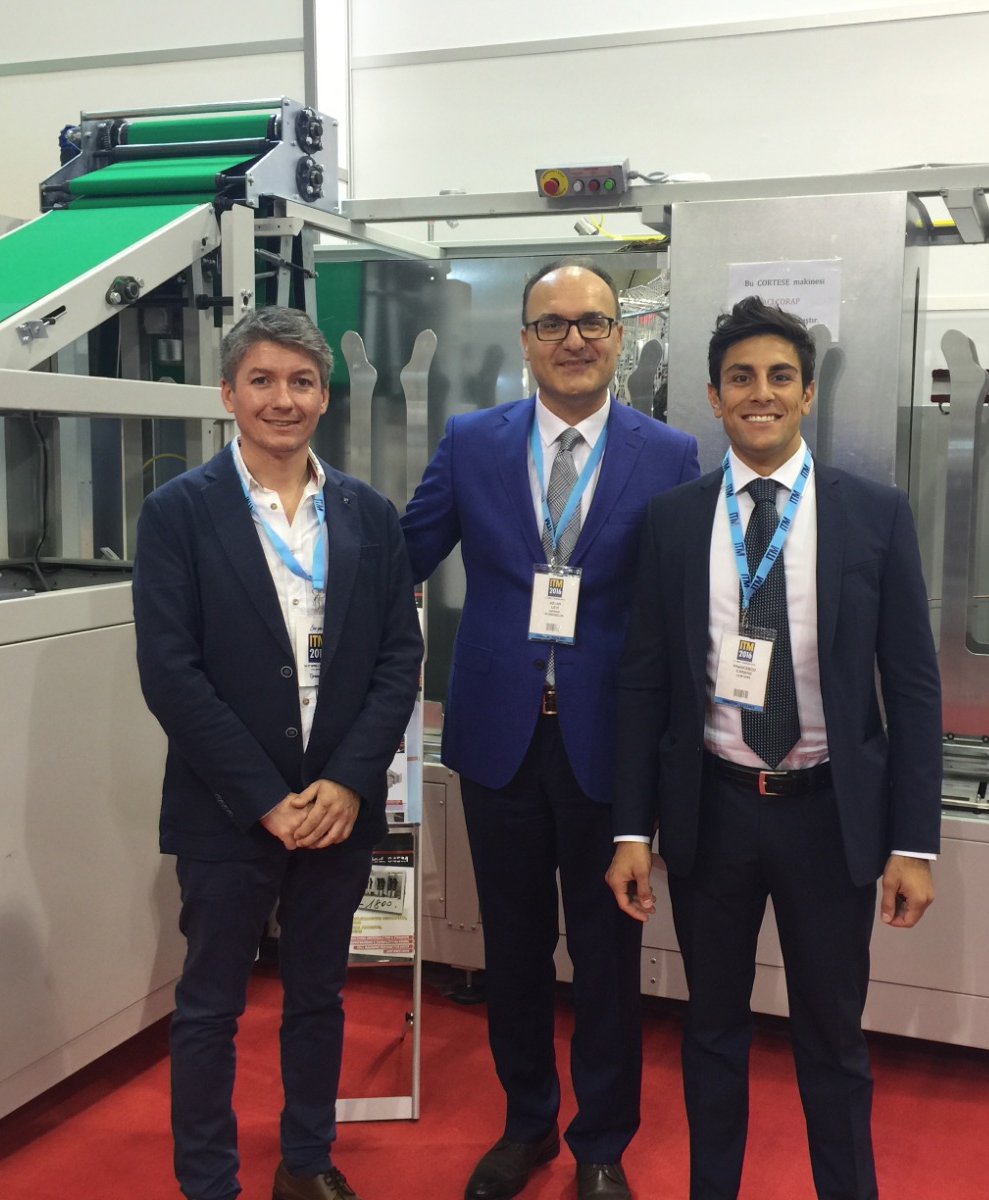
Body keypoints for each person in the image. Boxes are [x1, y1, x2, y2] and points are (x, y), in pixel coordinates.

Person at [605, 295, 943, 1199]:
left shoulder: (873, 515)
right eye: (741, 378)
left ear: (807, 393)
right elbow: (643, 682)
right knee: (712, 1032)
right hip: (712, 814)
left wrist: (913, 843)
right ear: (715, 397)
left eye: (780, 377)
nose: (762, 393)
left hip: (828, 818)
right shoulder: (675, 521)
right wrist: (632, 829)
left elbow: (913, 687)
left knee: (833, 1039)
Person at [402, 260, 699, 1200]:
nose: (574, 340)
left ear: (622, 336)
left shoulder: (670, 455)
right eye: (553, 324)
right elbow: (403, 553)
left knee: (608, 958)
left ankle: (601, 1143)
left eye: (593, 322)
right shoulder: (472, 442)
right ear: (525, 340)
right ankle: (527, 1124)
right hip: (498, 742)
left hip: (611, 747)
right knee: (515, 948)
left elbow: (687, 610)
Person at [133, 306, 423, 1200]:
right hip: (227, 809)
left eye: (301, 382)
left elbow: (398, 659)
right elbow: (171, 673)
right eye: (261, 381)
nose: (283, 400)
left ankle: (307, 1160)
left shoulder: (370, 515)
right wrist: (265, 796)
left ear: (325, 396)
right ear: (228, 393)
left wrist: (348, 780)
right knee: (210, 1007)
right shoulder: (179, 513)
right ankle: (209, 1182)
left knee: (319, 996)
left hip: (338, 807)